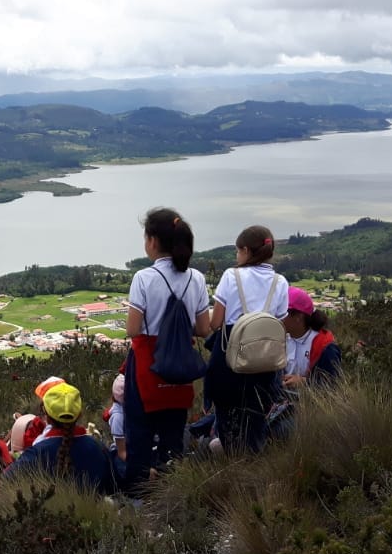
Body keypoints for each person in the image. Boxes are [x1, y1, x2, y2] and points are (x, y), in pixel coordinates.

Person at [123, 208, 211, 496]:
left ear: (152, 241)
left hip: (148, 364)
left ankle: (137, 497)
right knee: (173, 434)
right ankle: (171, 493)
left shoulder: (144, 278)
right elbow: (203, 328)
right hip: (181, 364)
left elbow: (133, 329)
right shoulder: (195, 278)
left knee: (139, 431)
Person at [203, 225, 288, 454]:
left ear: (246, 251)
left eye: (237, 251)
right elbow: (281, 324)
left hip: (231, 356)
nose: (236, 256)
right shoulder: (280, 282)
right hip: (264, 361)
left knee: (227, 414)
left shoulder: (232, 276)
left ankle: (229, 456)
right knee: (256, 414)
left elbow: (216, 322)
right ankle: (254, 458)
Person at [6, 383, 117, 495]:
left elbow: (5, 480)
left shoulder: (37, 453)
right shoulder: (99, 448)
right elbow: (113, 486)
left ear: (47, 417)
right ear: (79, 414)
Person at [281, 287, 342, 389]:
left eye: (282, 312)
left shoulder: (325, 347)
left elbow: (332, 385)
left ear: (298, 317)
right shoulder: (281, 340)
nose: (277, 316)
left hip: (309, 402)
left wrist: (305, 382)